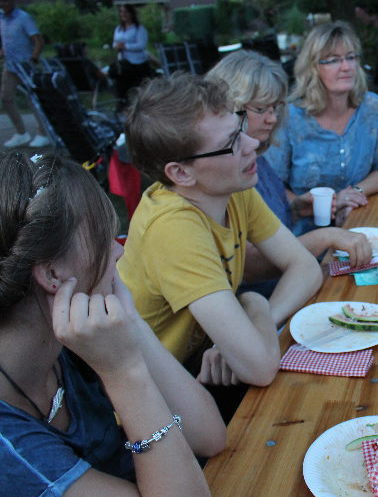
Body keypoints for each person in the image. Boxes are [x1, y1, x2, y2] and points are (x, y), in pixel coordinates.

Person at [0, 151, 226, 497]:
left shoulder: (74, 329)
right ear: (52, 274)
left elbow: (209, 436)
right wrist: (124, 372)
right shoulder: (8, 446)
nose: (118, 252)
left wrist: (129, 319)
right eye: (103, 237)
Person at [118, 73, 322, 398]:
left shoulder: (230, 186)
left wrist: (258, 324)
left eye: (240, 128)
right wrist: (253, 302)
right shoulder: (172, 229)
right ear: (181, 173)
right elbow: (260, 367)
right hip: (149, 400)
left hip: (195, 373)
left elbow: (306, 266)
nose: (252, 144)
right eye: (231, 143)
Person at [204, 50, 372, 294]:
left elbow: (265, 227)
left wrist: (297, 209)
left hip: (293, 284)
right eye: (262, 108)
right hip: (260, 297)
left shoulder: (258, 159)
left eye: (275, 107)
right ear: (231, 106)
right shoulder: (223, 175)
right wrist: (327, 236)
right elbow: (249, 265)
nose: (273, 118)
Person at [267, 21, 378, 233]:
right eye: (334, 60)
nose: (346, 67)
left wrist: (353, 194)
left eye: (350, 57)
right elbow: (272, 186)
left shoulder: (372, 108)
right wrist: (316, 204)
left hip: (361, 225)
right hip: (304, 235)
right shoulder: (289, 117)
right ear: (313, 67)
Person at [0, 0, 49, 148]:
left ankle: (43, 133)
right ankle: (21, 133)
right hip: (10, 66)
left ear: (13, 1)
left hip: (25, 66)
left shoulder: (23, 18)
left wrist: (33, 59)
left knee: (33, 100)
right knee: (6, 98)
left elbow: (38, 41)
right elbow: (7, 42)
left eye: (5, 0)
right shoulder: (2, 19)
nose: (2, 4)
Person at [111, 4, 151, 115]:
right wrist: (117, 47)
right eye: (121, 12)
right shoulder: (119, 29)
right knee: (122, 87)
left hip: (137, 63)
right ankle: (123, 109)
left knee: (139, 88)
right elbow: (115, 42)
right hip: (124, 63)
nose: (123, 14)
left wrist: (126, 46)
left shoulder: (139, 29)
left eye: (126, 12)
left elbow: (142, 45)